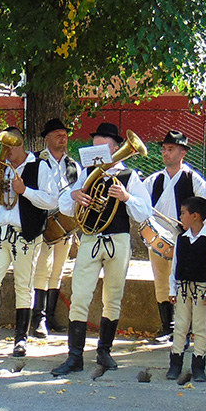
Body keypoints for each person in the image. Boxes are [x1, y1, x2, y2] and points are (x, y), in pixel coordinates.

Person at [50, 123, 152, 376]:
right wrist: (75, 196)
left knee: (113, 298)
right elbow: (64, 205)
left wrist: (127, 197)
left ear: (116, 148)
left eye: (103, 145)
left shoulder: (129, 176)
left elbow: (144, 212)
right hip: (90, 239)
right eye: (94, 145)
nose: (97, 150)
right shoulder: (87, 173)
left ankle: (104, 351)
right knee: (80, 297)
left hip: (117, 240)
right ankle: (75, 357)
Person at [0, 127, 59, 357]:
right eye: (4, 146)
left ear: (21, 144)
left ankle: (21, 339)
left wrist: (25, 190)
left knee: (23, 285)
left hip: (25, 233)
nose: (6, 151)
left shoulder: (40, 166)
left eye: (10, 145)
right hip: (0, 232)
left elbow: (51, 200)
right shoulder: (0, 167)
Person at [142, 131, 206, 342]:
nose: (165, 152)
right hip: (159, 238)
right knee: (161, 282)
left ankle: (185, 327)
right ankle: (168, 327)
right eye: (164, 149)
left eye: (171, 149)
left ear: (182, 152)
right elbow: (141, 205)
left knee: (185, 283)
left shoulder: (193, 179)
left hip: (185, 240)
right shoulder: (154, 180)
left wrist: (197, 232)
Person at [30, 118, 81, 338]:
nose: (63, 136)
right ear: (47, 138)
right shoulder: (35, 161)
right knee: (42, 269)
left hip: (65, 226)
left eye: (65, 133)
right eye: (58, 133)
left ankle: (50, 315)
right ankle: (38, 317)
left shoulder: (73, 165)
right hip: (43, 223)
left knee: (58, 270)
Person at [165, 196, 206, 383]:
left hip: (201, 290)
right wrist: (172, 289)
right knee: (180, 325)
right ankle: (175, 363)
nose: (180, 216)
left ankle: (198, 365)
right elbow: (175, 266)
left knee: (199, 327)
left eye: (183, 213)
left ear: (195, 216)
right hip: (182, 288)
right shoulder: (181, 239)